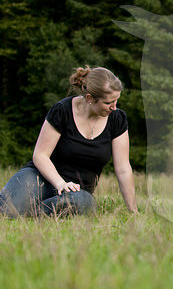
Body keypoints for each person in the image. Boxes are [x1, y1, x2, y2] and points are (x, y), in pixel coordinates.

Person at [0, 66, 137, 217]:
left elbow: (123, 169)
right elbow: (40, 155)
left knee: (82, 203)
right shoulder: (62, 110)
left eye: (116, 100)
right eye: (108, 102)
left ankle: (32, 214)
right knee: (6, 209)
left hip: (77, 192)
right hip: (40, 178)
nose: (114, 107)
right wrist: (61, 184)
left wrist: (133, 211)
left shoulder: (117, 119)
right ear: (90, 98)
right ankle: (24, 210)